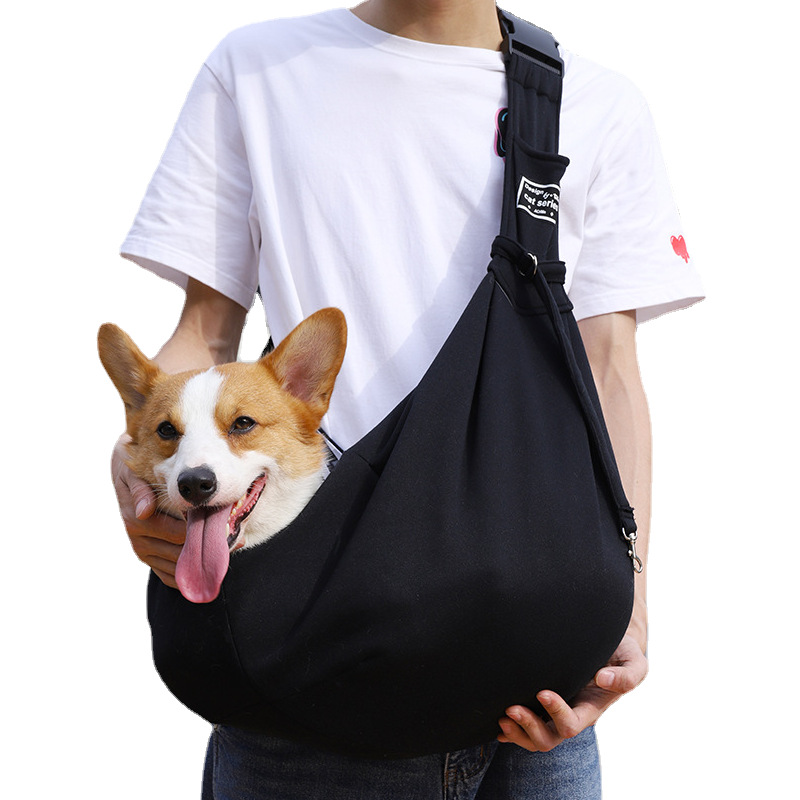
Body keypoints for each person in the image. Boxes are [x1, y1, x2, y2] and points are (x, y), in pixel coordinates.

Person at [111, 1, 704, 797]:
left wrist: (629, 603)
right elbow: (204, 335)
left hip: (539, 692)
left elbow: (610, 370)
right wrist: (140, 457)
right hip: (317, 676)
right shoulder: (257, 69)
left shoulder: (594, 103)